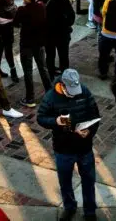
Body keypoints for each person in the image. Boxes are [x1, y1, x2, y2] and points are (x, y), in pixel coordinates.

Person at [37, 69, 100, 221]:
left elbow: (95, 115)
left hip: (84, 147)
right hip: (63, 149)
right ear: (62, 85)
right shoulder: (50, 97)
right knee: (65, 182)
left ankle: (90, 211)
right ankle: (69, 207)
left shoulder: (84, 91)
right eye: (70, 91)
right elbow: (41, 118)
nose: (74, 93)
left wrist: (89, 131)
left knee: (89, 181)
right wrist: (55, 122)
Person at [15, 0, 52, 108]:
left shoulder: (22, 10)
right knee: (43, 67)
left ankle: (30, 98)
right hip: (39, 43)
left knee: (28, 71)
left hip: (27, 44)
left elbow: (15, 23)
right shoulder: (41, 7)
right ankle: (49, 92)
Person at [42, 0, 75, 77]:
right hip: (63, 33)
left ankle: (51, 73)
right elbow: (71, 16)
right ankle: (64, 74)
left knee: (50, 55)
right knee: (64, 55)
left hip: (48, 34)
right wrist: (67, 24)